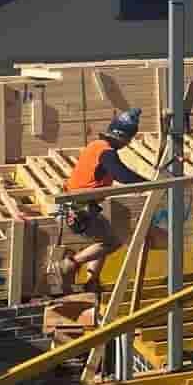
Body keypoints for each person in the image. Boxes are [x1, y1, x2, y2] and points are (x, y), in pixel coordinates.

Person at [56, 109, 146, 293]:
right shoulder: (107, 153)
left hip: (72, 204)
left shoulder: (95, 145)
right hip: (78, 209)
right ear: (122, 137)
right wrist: (150, 184)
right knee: (112, 243)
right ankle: (70, 265)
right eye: (128, 140)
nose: (127, 144)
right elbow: (122, 175)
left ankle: (92, 282)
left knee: (105, 237)